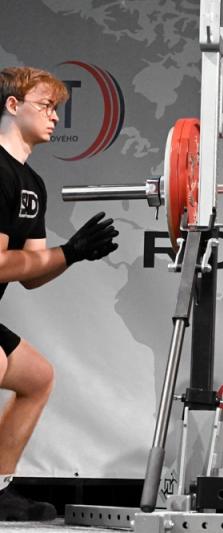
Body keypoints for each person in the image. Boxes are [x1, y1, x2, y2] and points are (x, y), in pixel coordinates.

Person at [0, 66, 118, 521]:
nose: (54, 117)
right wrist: (67, 251)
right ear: (13, 105)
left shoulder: (32, 182)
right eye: (46, 106)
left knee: (37, 378)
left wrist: (73, 256)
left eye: (56, 109)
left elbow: (31, 273)